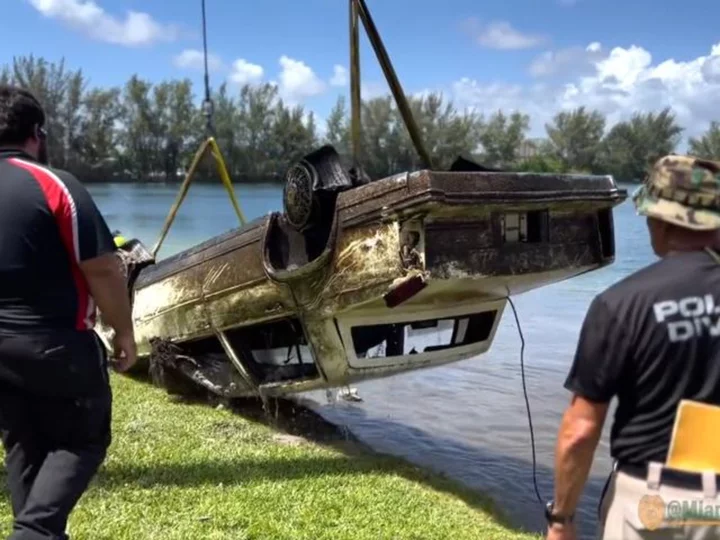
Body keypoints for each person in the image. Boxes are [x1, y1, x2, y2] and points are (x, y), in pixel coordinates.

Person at [546, 154, 720, 540]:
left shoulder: (621, 303)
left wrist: (561, 520)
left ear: (658, 219)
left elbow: (580, 430)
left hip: (652, 504)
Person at [0, 85, 137, 539]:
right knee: (83, 438)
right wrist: (124, 332)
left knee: (24, 444)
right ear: (37, 133)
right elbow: (101, 268)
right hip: (57, 347)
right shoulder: (52, 183)